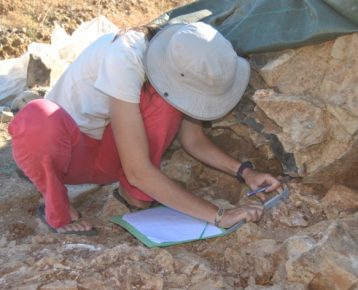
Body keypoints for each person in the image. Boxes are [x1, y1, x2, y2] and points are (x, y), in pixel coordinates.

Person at [8, 22, 281, 235]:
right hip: (68, 156)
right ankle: (56, 204)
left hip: (111, 153)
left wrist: (245, 172)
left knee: (167, 102)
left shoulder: (176, 56)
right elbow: (138, 170)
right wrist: (220, 215)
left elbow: (193, 139)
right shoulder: (123, 58)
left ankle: (134, 196)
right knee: (37, 117)